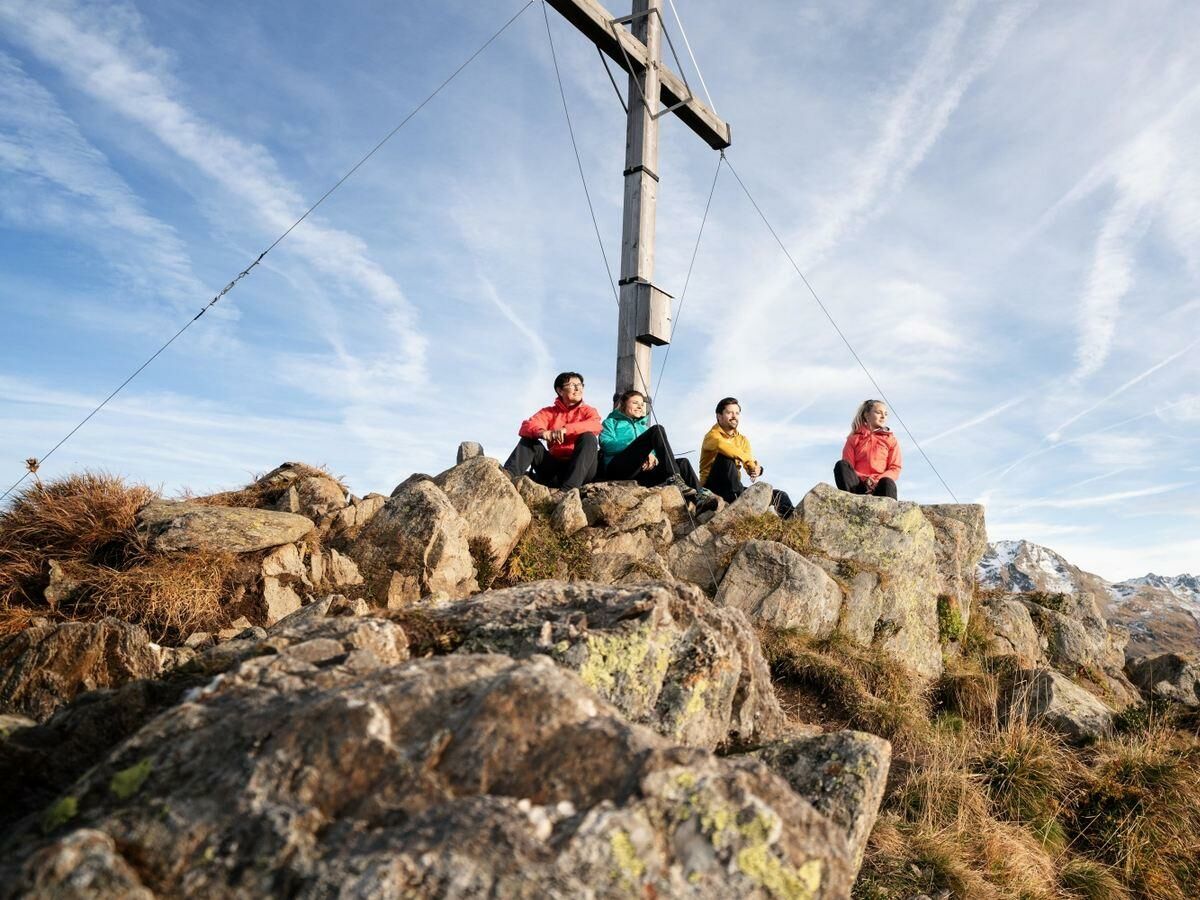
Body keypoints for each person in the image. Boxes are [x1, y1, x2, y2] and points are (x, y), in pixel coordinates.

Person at [598, 390, 717, 509]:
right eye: (635, 403)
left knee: (683, 463)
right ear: (623, 404)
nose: (640, 406)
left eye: (641, 404)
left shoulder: (643, 427)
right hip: (619, 468)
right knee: (657, 429)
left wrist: (652, 455)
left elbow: (655, 450)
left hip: (642, 473)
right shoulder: (611, 422)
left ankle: (699, 498)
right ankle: (674, 479)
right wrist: (637, 447)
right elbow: (606, 444)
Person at [503, 372, 601, 489]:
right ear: (560, 391)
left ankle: (567, 491)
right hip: (554, 470)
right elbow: (526, 427)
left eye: (580, 385)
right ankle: (505, 478)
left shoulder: (589, 410)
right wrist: (542, 433)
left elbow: (596, 425)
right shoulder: (549, 412)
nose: (577, 388)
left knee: (589, 438)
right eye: (572, 385)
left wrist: (567, 429)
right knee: (529, 441)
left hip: (582, 471)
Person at [699, 397, 794, 517]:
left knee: (780, 495)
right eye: (729, 412)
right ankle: (740, 500)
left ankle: (792, 520)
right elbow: (726, 448)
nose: (734, 416)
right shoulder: (711, 436)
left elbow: (748, 463)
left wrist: (755, 470)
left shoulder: (742, 440)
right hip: (712, 488)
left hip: (734, 487)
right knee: (726, 459)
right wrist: (749, 461)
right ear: (719, 416)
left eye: (737, 413)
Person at [835, 399, 901, 499]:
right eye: (878, 412)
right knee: (841, 465)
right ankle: (851, 504)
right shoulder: (853, 439)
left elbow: (895, 468)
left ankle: (888, 513)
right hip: (858, 486)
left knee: (888, 482)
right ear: (867, 415)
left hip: (879, 486)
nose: (883, 416)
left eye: (886, 414)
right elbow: (849, 467)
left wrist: (876, 480)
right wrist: (865, 479)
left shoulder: (891, 440)